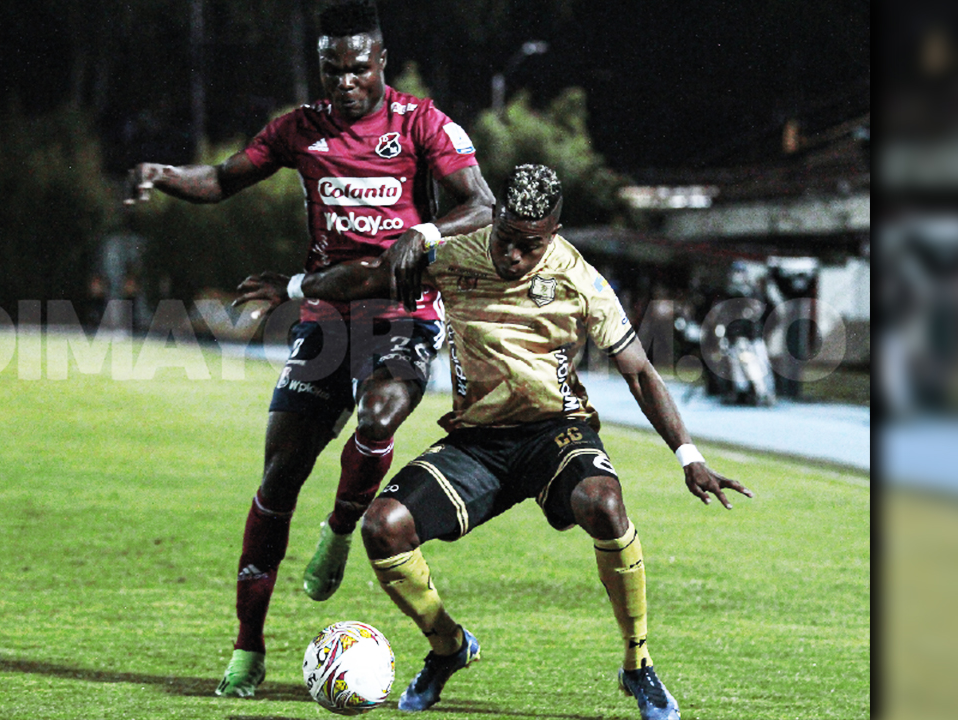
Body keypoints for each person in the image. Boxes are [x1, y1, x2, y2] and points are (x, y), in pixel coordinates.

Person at [235, 165, 752, 720]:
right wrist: (294, 287)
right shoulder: (454, 255)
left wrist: (689, 456)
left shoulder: (580, 279)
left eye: (529, 245)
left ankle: (638, 664)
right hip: (478, 441)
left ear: (553, 233)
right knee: (383, 527)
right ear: (496, 218)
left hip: (556, 432)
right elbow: (369, 277)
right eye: (506, 238)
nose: (512, 255)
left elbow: (641, 373)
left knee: (604, 504)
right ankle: (448, 646)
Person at [124, 0, 495, 698]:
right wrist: (164, 174)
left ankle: (341, 527)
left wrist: (426, 235)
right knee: (278, 479)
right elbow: (224, 179)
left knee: (379, 416)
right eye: (332, 70)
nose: (345, 82)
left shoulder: (422, 123)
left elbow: (481, 204)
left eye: (358, 68)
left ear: (381, 61)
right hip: (326, 316)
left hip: (403, 313)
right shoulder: (299, 128)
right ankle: (247, 647)